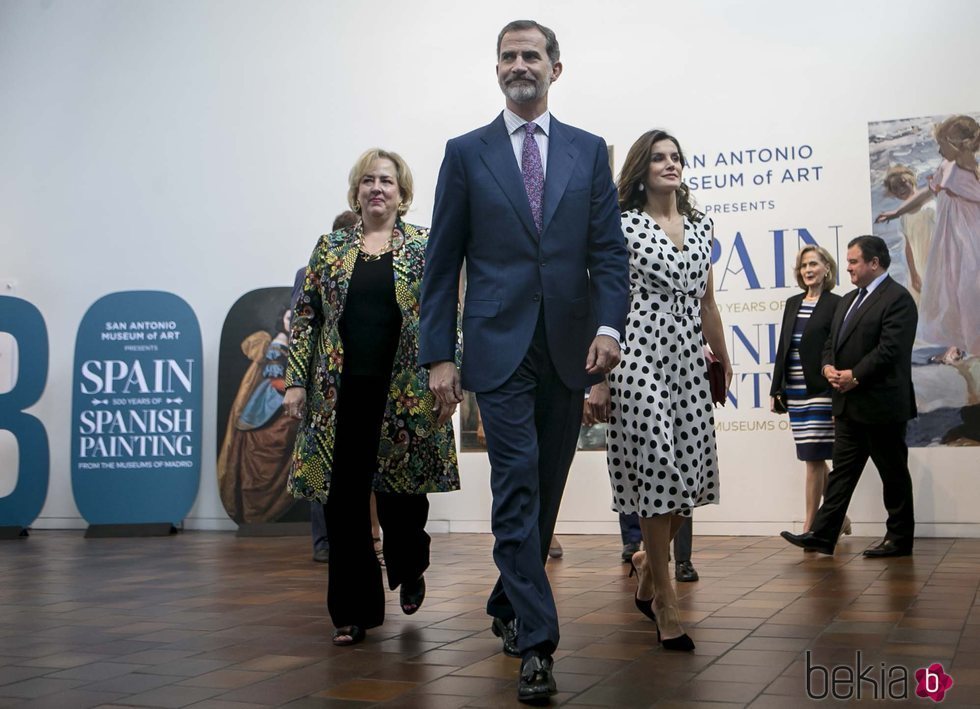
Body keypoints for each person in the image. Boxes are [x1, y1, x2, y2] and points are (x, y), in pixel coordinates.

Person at [419, 20, 629, 703]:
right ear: (497, 69)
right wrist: (437, 357)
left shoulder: (589, 151)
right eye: (508, 56)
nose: (518, 65)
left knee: (546, 487)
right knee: (516, 482)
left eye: (530, 55)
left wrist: (608, 328)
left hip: (570, 346)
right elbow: (442, 260)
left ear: (555, 69)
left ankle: (507, 600)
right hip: (496, 344)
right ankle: (537, 642)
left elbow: (608, 253)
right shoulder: (466, 153)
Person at [283, 149, 460, 646]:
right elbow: (306, 318)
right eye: (368, 181)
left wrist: (450, 370)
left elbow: (447, 313)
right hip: (339, 397)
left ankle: (410, 565)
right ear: (355, 192)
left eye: (386, 181)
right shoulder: (331, 247)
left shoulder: (425, 246)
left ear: (402, 194)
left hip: (405, 393)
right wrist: (296, 381)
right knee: (343, 507)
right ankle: (353, 610)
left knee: (403, 500)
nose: (376, 188)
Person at [605, 129, 732, 652]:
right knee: (657, 466)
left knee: (692, 473)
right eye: (658, 157)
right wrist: (597, 375)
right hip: (635, 352)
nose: (669, 164)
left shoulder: (701, 228)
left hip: (686, 357)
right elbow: (605, 295)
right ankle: (667, 601)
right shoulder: (621, 226)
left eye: (675, 156)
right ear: (641, 168)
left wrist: (722, 359)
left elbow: (706, 303)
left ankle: (646, 564)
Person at [781, 235, 917, 558]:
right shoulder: (848, 300)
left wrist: (854, 375)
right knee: (841, 475)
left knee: (893, 475)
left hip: (882, 406)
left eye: (854, 261)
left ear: (874, 263)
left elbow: (889, 351)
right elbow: (831, 342)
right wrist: (828, 366)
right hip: (848, 406)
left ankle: (899, 539)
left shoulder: (898, 299)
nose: (849, 267)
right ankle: (822, 535)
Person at [877, 114, 980, 359]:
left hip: (971, 240)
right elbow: (926, 193)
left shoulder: (974, 174)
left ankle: (970, 347)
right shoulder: (947, 167)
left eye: (942, 144)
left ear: (958, 145)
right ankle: (957, 345)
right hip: (950, 241)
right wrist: (897, 211)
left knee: (970, 291)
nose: (939, 150)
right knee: (951, 293)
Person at [292, 210, 361, 564]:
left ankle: (351, 541)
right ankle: (323, 541)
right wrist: (298, 383)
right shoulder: (311, 273)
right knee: (321, 464)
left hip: (364, 378)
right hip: (323, 382)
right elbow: (303, 325)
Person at [770, 245, 850, 535]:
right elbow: (783, 348)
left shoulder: (837, 303)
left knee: (813, 459)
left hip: (821, 389)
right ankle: (839, 518)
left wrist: (837, 392)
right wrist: (776, 388)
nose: (808, 270)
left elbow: (838, 349)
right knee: (812, 454)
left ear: (827, 268)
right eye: (804, 265)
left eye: (814, 264)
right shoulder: (793, 303)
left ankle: (810, 524)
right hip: (795, 392)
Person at [217, 306, 301, 525]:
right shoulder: (279, 343)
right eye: (289, 317)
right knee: (283, 431)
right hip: (271, 400)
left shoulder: (295, 341)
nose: (293, 321)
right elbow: (275, 380)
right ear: (282, 320)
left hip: (283, 396)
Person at [880, 165, 935, 302]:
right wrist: (914, 274)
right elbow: (908, 245)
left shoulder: (930, 203)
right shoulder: (904, 216)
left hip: (936, 258)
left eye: (902, 183)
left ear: (911, 180)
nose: (900, 190)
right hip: (918, 263)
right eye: (895, 188)